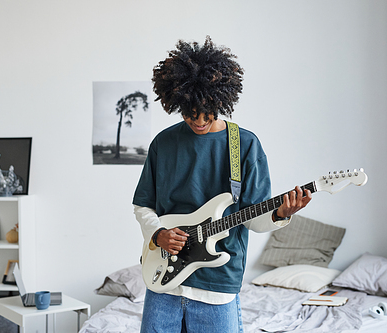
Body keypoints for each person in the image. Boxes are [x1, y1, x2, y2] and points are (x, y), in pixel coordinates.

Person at [133, 36, 312, 333]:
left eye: (207, 112)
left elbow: (254, 220)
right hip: (163, 280)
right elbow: (143, 205)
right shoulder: (163, 143)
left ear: (221, 100)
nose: (199, 121)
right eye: (190, 113)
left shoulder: (244, 145)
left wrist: (281, 214)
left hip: (217, 286)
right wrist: (158, 234)